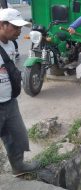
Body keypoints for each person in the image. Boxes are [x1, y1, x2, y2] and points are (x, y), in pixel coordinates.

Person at [0, 8, 39, 175]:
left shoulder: (12, 44)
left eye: (20, 27)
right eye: (15, 27)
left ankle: (18, 166)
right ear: (3, 25)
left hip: (10, 102)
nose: (19, 31)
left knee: (18, 136)